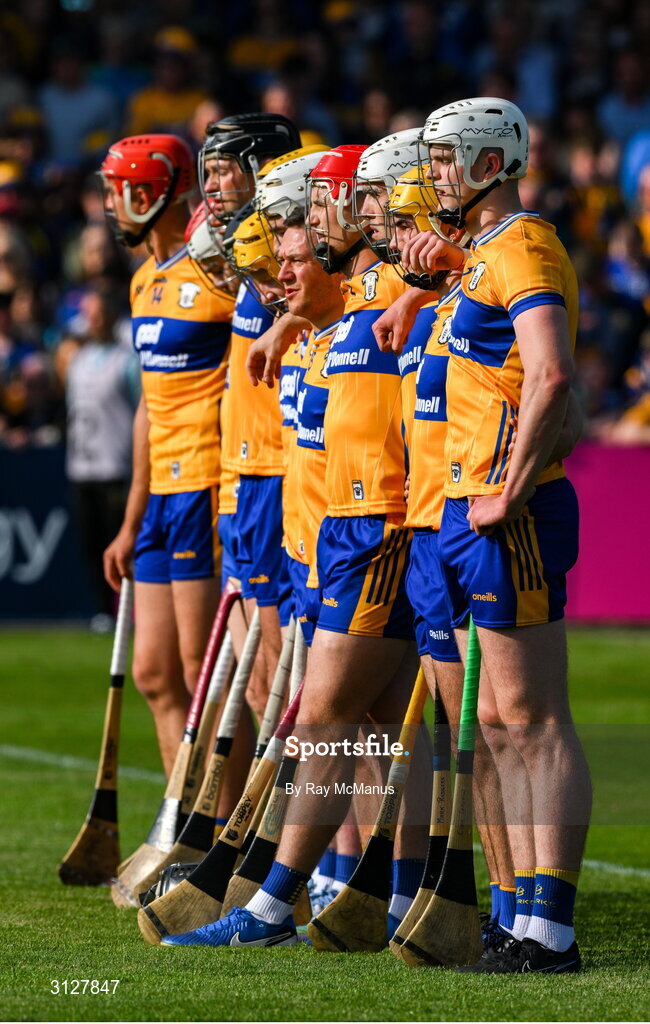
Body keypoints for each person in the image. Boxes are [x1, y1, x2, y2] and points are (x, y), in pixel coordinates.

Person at [161, 145, 430, 949]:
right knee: (379, 729)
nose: (294, 246)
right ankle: (404, 899)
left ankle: (274, 906)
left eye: (312, 217)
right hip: (333, 539)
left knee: (321, 717)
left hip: (379, 528)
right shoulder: (332, 308)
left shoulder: (390, 289)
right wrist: (288, 317)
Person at [397, 97, 592, 974]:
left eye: (445, 159)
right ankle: (515, 916)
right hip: (464, 512)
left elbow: (553, 377)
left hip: (506, 511)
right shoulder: (477, 257)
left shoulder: (524, 244)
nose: (433, 174)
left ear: (488, 163)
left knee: (532, 719)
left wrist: (509, 489)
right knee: (493, 724)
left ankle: (550, 928)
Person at [99, 134, 237, 777]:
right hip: (159, 499)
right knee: (155, 673)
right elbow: (148, 410)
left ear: (147, 192)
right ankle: (181, 824)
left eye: (114, 191)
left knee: (202, 671)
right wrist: (129, 522)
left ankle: (226, 838)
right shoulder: (141, 283)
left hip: (207, 485)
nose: (108, 205)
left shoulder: (217, 278)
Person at [199, 113, 302, 697]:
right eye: (207, 173)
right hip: (241, 472)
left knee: (275, 680)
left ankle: (311, 792)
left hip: (274, 469)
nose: (212, 187)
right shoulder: (242, 244)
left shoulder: (276, 247)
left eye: (223, 173)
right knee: (255, 679)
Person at [64, 285, 139, 630]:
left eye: (96, 313)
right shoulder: (76, 361)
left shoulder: (126, 360)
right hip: (82, 465)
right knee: (90, 542)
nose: (91, 320)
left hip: (115, 464)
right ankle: (102, 610)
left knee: (118, 539)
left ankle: (127, 607)